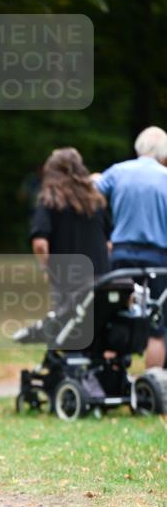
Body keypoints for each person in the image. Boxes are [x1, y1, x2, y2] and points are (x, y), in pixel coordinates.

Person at [93, 126, 167, 368]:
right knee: (156, 325)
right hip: (158, 259)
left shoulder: (118, 171)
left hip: (122, 256)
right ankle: (154, 385)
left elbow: (92, 194)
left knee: (115, 314)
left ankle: (111, 378)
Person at [30, 148, 111, 307]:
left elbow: (40, 244)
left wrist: (46, 268)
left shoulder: (49, 201)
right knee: (98, 325)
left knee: (69, 326)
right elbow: (109, 243)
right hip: (100, 278)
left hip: (66, 279)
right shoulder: (95, 201)